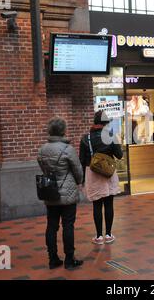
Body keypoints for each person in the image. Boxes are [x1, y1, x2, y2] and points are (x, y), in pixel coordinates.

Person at [37, 117, 84, 270]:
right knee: (68, 225)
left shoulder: (42, 149)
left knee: (51, 226)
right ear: (63, 131)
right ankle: (69, 260)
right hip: (68, 192)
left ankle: (53, 259)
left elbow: (43, 168)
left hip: (51, 192)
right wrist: (79, 182)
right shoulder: (67, 149)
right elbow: (78, 171)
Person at [80, 111, 123, 245]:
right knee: (109, 204)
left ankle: (98, 236)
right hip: (108, 173)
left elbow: (82, 159)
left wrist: (82, 180)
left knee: (97, 205)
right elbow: (120, 155)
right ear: (106, 123)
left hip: (92, 173)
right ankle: (109, 234)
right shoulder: (111, 135)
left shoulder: (85, 138)